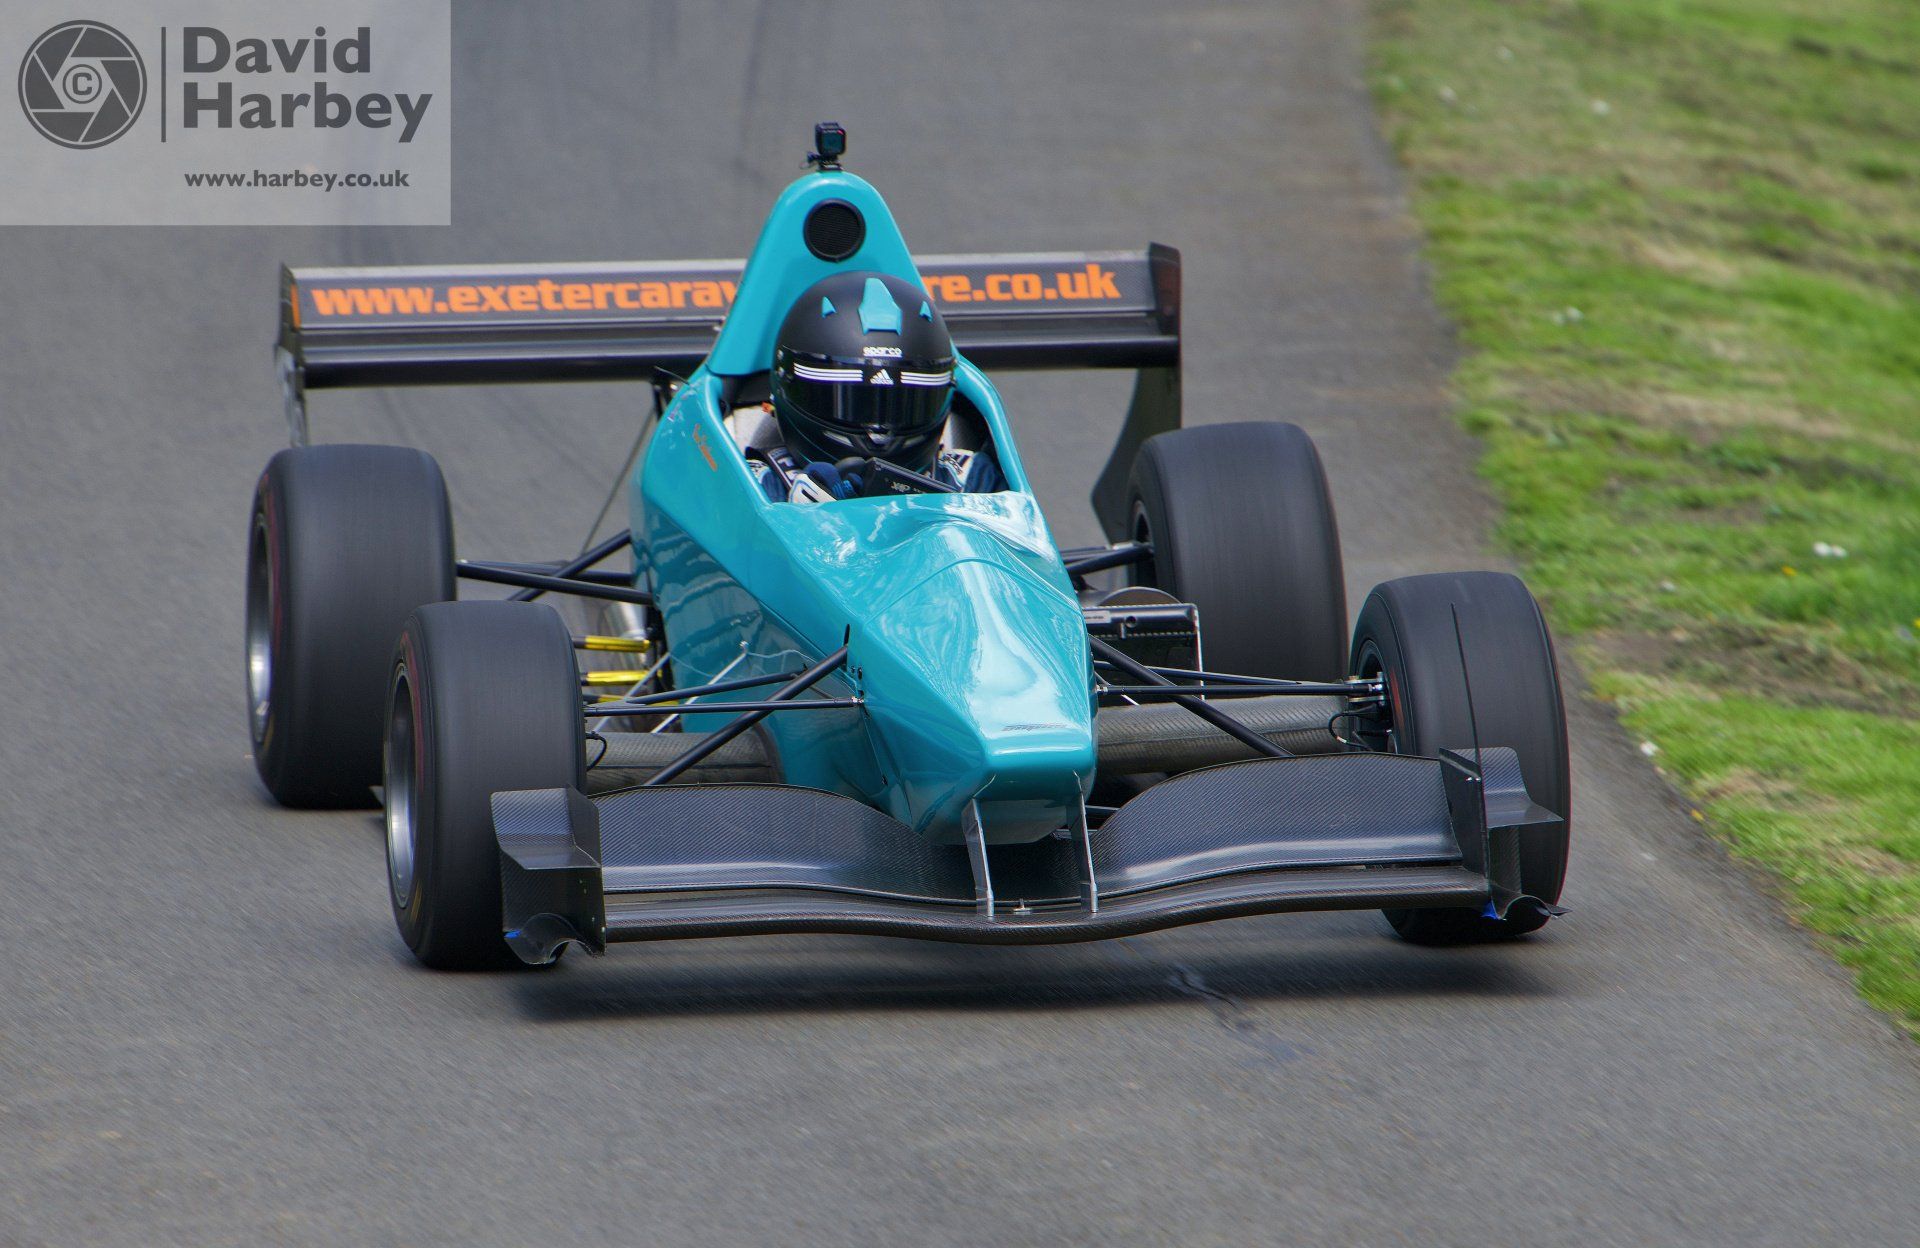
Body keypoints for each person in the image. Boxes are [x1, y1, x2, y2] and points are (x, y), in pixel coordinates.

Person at [754, 270, 1004, 503]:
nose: (877, 437)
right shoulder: (759, 488)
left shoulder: (971, 480)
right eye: (857, 403)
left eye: (899, 405)